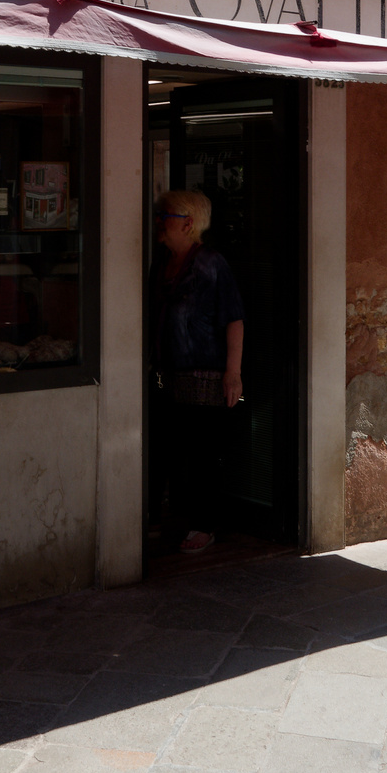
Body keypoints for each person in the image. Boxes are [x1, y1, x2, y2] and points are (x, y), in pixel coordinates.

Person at [151, 189, 243, 554]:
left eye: (166, 216)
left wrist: (232, 373)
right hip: (170, 375)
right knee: (172, 448)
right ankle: (170, 516)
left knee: (203, 452)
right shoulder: (164, 263)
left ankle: (204, 525)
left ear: (188, 224)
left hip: (205, 375)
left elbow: (234, 318)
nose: (159, 223)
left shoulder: (210, 263)